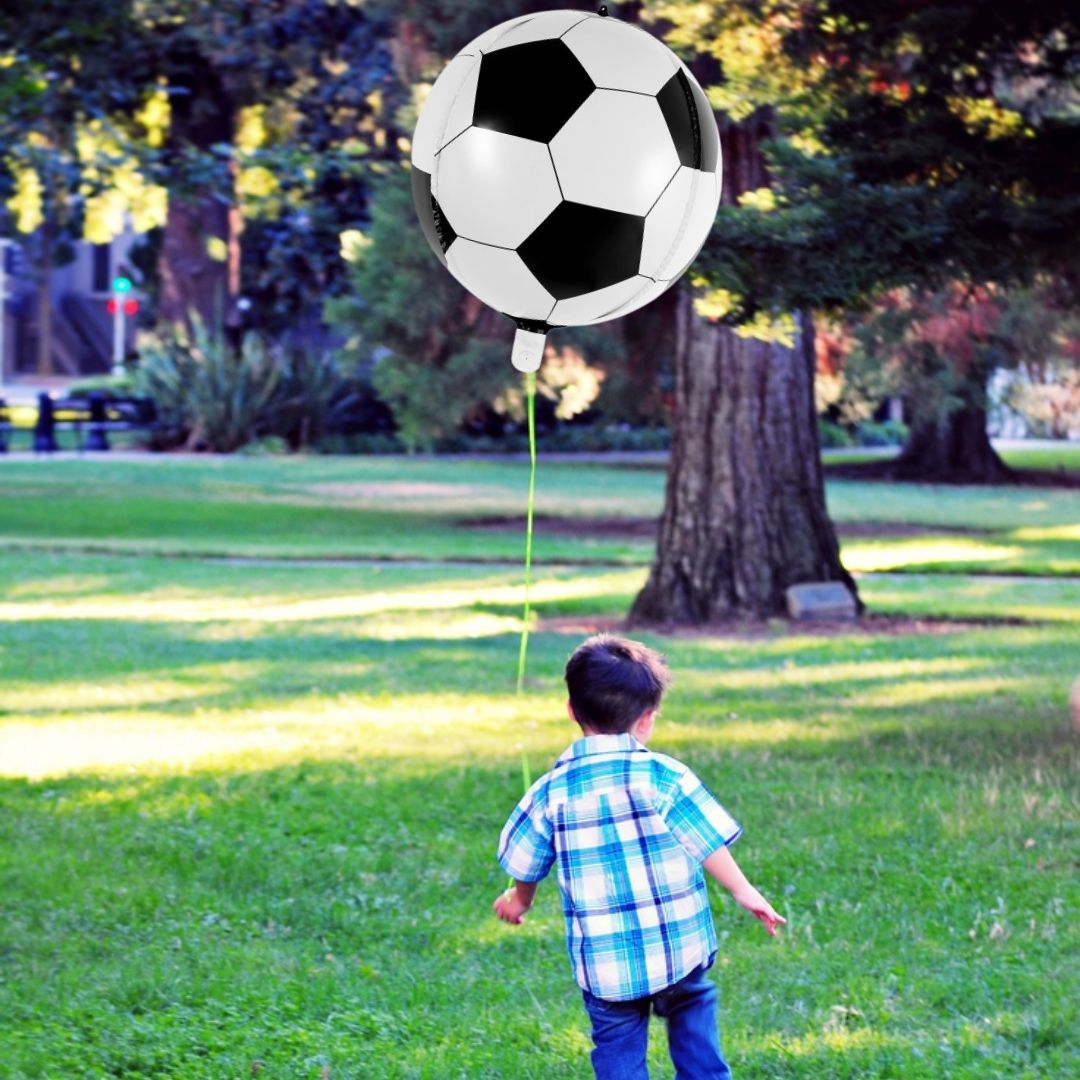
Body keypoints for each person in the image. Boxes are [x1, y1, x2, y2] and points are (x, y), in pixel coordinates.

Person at [493, 634, 785, 1079]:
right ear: (647, 720)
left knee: (617, 1050)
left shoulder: (551, 792)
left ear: (571, 711)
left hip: (606, 967)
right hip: (678, 950)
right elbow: (706, 839)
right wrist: (745, 892)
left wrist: (519, 901)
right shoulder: (664, 775)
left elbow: (526, 863)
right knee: (692, 1006)